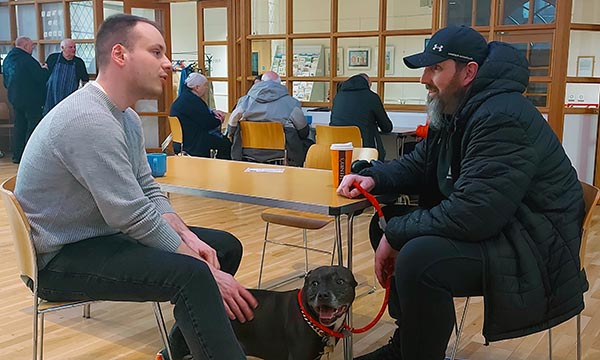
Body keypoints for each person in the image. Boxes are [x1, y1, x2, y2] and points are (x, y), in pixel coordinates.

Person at [337, 25, 588, 360]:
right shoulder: (459, 110)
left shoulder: (501, 116)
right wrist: (374, 179)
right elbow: (420, 163)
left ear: (469, 72)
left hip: (535, 243)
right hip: (506, 224)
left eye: (435, 68)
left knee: (418, 259)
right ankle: (411, 342)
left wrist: (395, 236)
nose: (424, 79)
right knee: (387, 223)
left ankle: (417, 352)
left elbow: (476, 214)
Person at [14, 14, 256, 360]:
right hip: (59, 259)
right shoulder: (90, 118)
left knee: (222, 248)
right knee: (194, 274)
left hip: (98, 235)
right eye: (156, 52)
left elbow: (147, 189)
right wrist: (197, 263)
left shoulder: (123, 115)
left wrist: (191, 240)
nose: (169, 64)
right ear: (120, 55)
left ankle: (177, 351)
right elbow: (129, 213)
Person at [227, 71, 313, 166]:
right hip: (283, 152)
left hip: (249, 151)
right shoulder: (291, 103)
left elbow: (232, 123)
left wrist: (231, 132)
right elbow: (303, 131)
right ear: (279, 84)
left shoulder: (244, 101)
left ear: (262, 82)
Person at [2, 36, 49, 164]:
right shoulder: (27, 60)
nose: (33, 48)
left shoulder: (7, 60)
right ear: (25, 46)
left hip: (14, 98)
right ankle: (30, 156)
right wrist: (44, 69)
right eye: (32, 46)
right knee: (33, 126)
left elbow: (6, 82)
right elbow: (40, 77)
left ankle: (17, 155)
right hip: (31, 99)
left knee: (19, 126)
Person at [330, 73, 392, 160]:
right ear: (366, 84)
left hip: (339, 150)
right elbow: (387, 127)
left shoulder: (338, 97)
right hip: (365, 151)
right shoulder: (372, 97)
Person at [170, 72, 232, 159]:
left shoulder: (184, 98)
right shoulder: (193, 101)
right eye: (205, 85)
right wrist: (219, 119)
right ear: (197, 87)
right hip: (194, 143)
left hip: (182, 141)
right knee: (226, 144)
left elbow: (200, 115)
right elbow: (209, 123)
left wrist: (212, 112)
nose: (206, 88)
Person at [43, 38, 90, 114]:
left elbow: (85, 81)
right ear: (62, 48)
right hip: (52, 98)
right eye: (70, 47)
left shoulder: (79, 62)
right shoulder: (53, 58)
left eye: (74, 47)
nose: (74, 49)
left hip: (70, 100)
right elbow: (45, 75)